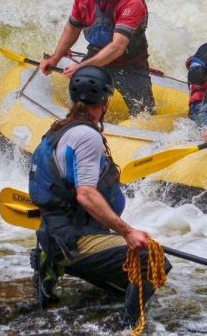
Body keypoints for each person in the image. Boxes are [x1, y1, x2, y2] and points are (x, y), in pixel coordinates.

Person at [28, 66, 171, 328]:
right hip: (74, 239)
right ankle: (129, 328)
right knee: (152, 258)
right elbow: (85, 194)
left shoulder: (60, 129)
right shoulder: (86, 136)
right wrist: (127, 232)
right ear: (104, 102)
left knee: (122, 288)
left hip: (55, 235)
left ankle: (53, 265)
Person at [39, 0, 155, 116]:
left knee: (145, 114)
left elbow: (117, 47)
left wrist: (82, 67)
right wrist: (54, 58)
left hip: (130, 62)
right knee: (80, 103)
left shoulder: (132, 1)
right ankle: (86, 118)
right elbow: (72, 27)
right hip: (96, 53)